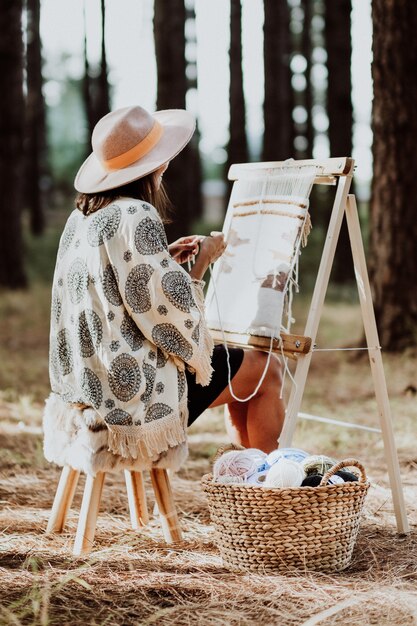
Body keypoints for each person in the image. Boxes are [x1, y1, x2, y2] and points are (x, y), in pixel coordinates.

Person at [46, 105, 284, 469]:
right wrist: (203, 261)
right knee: (265, 369)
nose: (166, 166)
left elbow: (115, 285)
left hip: (88, 384)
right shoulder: (136, 214)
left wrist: (165, 259)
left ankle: (247, 478)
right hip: (134, 395)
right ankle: (265, 485)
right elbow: (174, 316)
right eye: (162, 160)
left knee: (240, 370)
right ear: (154, 167)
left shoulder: (82, 218)